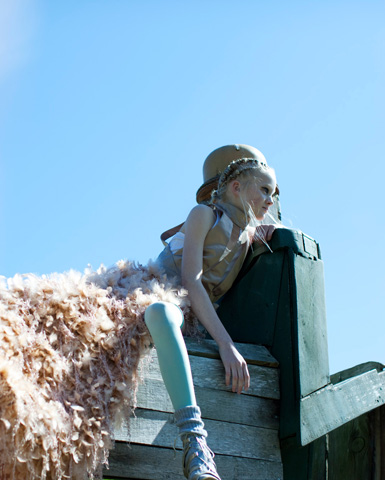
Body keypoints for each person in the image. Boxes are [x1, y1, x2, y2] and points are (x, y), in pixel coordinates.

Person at [145, 144, 280, 480]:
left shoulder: (248, 235)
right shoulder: (204, 215)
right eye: (264, 190)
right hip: (163, 296)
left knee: (167, 315)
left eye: (274, 193)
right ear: (236, 187)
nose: (270, 200)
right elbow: (190, 280)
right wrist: (225, 343)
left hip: (193, 315)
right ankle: (195, 442)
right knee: (161, 312)